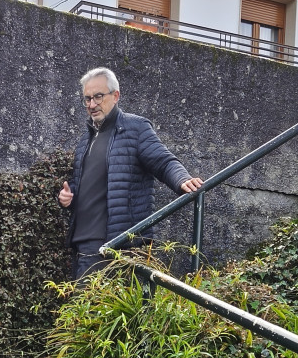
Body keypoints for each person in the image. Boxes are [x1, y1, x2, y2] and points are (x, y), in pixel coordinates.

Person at [58, 67, 203, 280]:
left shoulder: (135, 128)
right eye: (87, 99)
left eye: (98, 96)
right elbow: (86, 186)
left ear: (115, 95)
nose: (91, 104)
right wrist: (68, 198)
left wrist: (182, 179)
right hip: (84, 245)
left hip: (119, 245)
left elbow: (163, 161)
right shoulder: (85, 140)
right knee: (84, 312)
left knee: (92, 311)